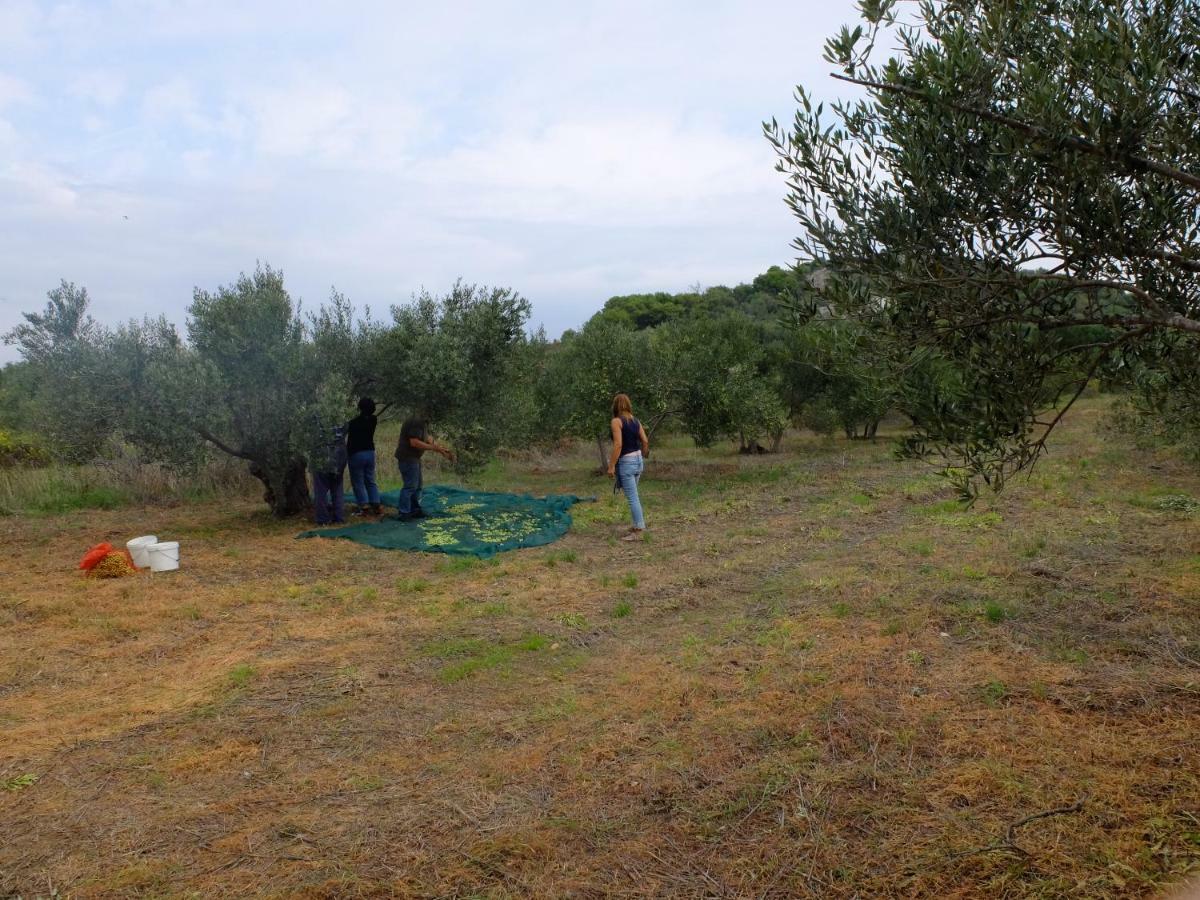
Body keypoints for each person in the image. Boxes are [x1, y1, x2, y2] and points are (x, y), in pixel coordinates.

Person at [394, 413, 455, 521]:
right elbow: (414, 442)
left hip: (414, 458)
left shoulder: (423, 422)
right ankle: (404, 513)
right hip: (407, 458)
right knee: (410, 487)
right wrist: (433, 448)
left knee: (417, 486)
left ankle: (414, 510)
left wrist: (442, 450)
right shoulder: (416, 421)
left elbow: (428, 438)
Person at [607, 393, 650, 541]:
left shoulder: (616, 422)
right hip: (638, 460)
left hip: (627, 462)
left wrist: (611, 465)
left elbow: (618, 444)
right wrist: (643, 455)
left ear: (615, 406)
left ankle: (639, 529)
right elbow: (645, 441)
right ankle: (637, 524)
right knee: (634, 496)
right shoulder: (635, 421)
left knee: (632, 497)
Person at [347, 397, 382, 516]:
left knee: (358, 481)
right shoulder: (373, 419)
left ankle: (363, 506)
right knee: (370, 479)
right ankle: (376, 503)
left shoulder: (353, 422)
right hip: (370, 452)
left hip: (357, 453)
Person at [310, 422, 348, 526]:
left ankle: (323, 519)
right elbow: (345, 429)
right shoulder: (342, 414)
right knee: (337, 488)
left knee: (320, 490)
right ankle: (339, 517)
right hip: (339, 456)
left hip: (321, 456)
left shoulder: (316, 416)